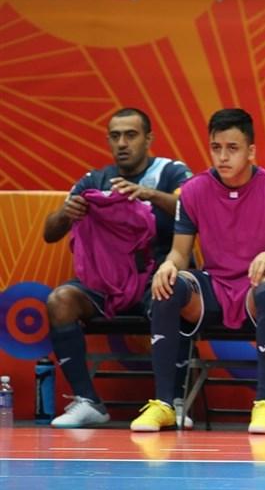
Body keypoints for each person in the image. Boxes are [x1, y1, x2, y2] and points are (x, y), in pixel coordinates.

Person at [133, 108, 265, 433]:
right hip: (213, 289)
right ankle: (165, 404)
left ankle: (264, 405)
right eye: (216, 147)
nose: (223, 157)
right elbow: (180, 253)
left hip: (256, 287)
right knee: (168, 284)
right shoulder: (193, 190)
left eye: (232, 148)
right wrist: (168, 265)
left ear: (251, 151)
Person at [43, 107, 193, 428]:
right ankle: (88, 402)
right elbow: (49, 233)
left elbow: (195, 208)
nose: (122, 143)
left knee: (172, 294)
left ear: (149, 139)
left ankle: (173, 400)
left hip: (157, 278)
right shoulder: (94, 180)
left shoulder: (172, 172)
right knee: (60, 301)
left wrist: (149, 195)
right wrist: (67, 213)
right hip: (106, 283)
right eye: (115, 136)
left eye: (131, 135)